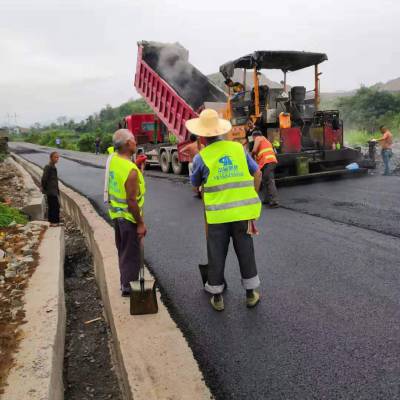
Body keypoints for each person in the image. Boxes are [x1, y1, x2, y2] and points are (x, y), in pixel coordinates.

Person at [187, 109, 262, 311]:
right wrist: (252, 196)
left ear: (202, 136)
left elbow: (195, 185)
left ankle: (217, 297)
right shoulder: (238, 149)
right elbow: (258, 173)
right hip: (242, 215)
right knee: (246, 252)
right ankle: (250, 294)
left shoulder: (201, 158)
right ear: (220, 132)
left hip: (217, 217)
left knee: (216, 254)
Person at [107, 129, 147, 296]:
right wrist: (140, 223)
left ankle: (125, 283)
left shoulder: (113, 160)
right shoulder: (130, 170)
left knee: (123, 251)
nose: (136, 142)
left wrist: (137, 166)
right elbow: (131, 201)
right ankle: (129, 288)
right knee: (132, 255)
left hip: (117, 216)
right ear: (128, 144)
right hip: (129, 218)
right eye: (133, 140)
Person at [251, 130, 279, 207]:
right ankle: (267, 199)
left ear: (254, 136)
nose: (253, 140)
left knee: (269, 180)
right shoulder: (267, 141)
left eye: (252, 138)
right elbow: (275, 152)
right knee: (265, 180)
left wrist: (251, 157)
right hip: (270, 162)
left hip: (268, 162)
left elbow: (254, 150)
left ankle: (274, 201)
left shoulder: (258, 138)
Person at [41, 151, 61, 227]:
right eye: (55, 157)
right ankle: (53, 222)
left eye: (58, 157)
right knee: (54, 206)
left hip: (54, 190)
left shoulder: (53, 167)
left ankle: (55, 221)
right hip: (50, 191)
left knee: (55, 206)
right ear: (51, 158)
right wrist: (45, 188)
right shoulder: (48, 167)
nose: (57, 159)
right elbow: (44, 179)